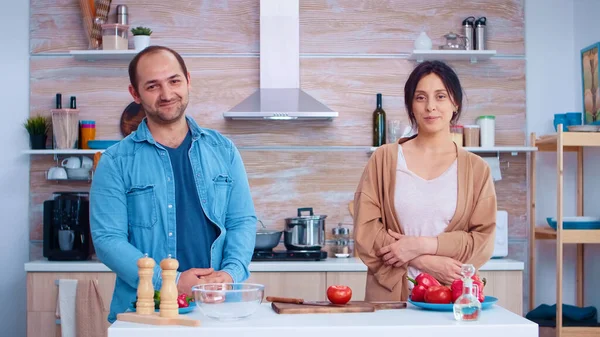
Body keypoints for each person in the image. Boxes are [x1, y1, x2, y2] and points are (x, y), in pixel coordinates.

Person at [90, 45, 257, 323]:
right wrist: (170, 282)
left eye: (174, 81)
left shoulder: (223, 150)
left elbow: (242, 221)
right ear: (135, 93)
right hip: (145, 313)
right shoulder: (115, 161)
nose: (167, 94)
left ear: (188, 80)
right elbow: (108, 241)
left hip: (219, 308)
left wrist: (230, 274)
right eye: (153, 86)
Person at [353, 60, 497, 302]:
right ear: (411, 105)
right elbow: (366, 232)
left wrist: (421, 244)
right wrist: (422, 260)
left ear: (455, 103)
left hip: (453, 300)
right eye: (421, 97)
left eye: (440, 96)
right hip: (388, 300)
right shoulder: (383, 160)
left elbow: (482, 241)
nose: (431, 107)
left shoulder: (477, 169)